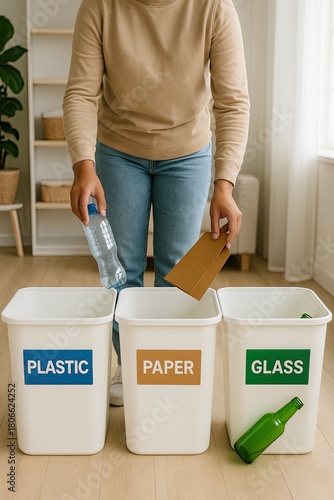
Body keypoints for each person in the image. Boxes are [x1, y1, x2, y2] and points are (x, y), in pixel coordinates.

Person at [63, 0, 250, 406]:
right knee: (121, 268)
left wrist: (225, 183)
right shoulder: (99, 6)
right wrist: (84, 164)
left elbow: (232, 100)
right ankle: (128, 365)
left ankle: (163, 364)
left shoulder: (215, 8)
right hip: (117, 148)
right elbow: (81, 92)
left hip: (188, 150)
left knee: (177, 270)